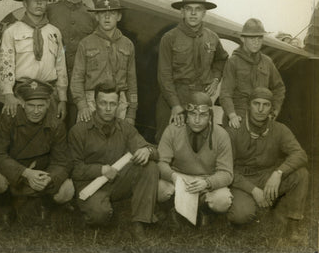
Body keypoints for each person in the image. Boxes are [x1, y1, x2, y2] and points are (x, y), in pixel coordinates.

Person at [69, 84, 159, 239]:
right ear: (95, 103)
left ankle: (140, 221)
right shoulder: (79, 130)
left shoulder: (125, 127)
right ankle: (94, 208)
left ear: (118, 105)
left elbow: (153, 150)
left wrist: (147, 150)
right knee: (99, 216)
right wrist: (100, 170)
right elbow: (73, 169)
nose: (108, 108)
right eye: (103, 103)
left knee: (149, 166)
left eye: (113, 104)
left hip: (117, 180)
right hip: (90, 184)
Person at [226, 87, 308, 241]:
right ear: (248, 105)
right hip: (242, 180)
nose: (261, 109)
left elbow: (300, 154)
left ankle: (293, 225)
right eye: (256, 103)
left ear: (272, 108)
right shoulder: (234, 130)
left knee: (301, 174)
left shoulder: (279, 129)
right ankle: (265, 206)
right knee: (241, 215)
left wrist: (278, 173)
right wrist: (253, 190)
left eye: (266, 105)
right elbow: (226, 169)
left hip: (267, 176)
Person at [0, 79, 74, 224]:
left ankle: (46, 205)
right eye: (31, 105)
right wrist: (26, 173)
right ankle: (7, 206)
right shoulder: (9, 118)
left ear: (48, 104)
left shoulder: (56, 125)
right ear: (22, 103)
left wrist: (50, 178)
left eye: (41, 106)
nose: (36, 111)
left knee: (67, 190)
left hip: (42, 172)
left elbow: (62, 162)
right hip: (15, 172)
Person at [156, 0, 228, 142]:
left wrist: (215, 80)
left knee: (199, 143)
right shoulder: (169, 38)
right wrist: (175, 105)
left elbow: (221, 59)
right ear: (182, 12)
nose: (193, 14)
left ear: (204, 13)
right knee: (166, 141)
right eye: (189, 9)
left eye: (198, 9)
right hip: (174, 96)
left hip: (200, 99)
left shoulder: (212, 37)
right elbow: (164, 75)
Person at [157, 92, 233, 225]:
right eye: (192, 114)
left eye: (203, 115)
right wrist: (173, 177)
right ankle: (174, 207)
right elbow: (161, 162)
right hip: (179, 178)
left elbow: (227, 173)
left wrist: (208, 183)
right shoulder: (173, 130)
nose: (197, 120)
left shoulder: (221, 135)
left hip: (206, 180)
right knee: (158, 189)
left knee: (222, 201)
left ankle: (203, 210)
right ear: (186, 114)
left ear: (210, 116)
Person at [0, 0, 68, 120]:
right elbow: (6, 65)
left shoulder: (54, 32)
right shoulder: (12, 32)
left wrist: (62, 99)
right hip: (22, 93)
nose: (39, 3)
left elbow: (61, 67)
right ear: (24, 3)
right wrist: (8, 94)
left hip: (48, 93)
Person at [70, 0, 137, 125]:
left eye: (112, 13)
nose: (107, 17)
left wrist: (132, 113)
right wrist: (82, 105)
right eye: (102, 13)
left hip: (119, 101)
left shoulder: (127, 44)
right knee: (87, 140)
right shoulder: (86, 43)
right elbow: (77, 78)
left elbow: (132, 80)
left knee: (118, 142)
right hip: (91, 101)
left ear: (119, 16)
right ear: (96, 16)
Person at [48, 0, 99, 127]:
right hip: (52, 85)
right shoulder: (50, 11)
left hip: (80, 89)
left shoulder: (92, 17)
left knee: (76, 131)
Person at [220, 18, 285, 129]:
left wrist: (274, 111)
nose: (256, 42)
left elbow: (279, 88)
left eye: (259, 38)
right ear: (242, 38)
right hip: (238, 115)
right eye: (252, 38)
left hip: (260, 116)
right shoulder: (233, 61)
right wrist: (232, 115)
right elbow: (225, 93)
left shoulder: (267, 61)